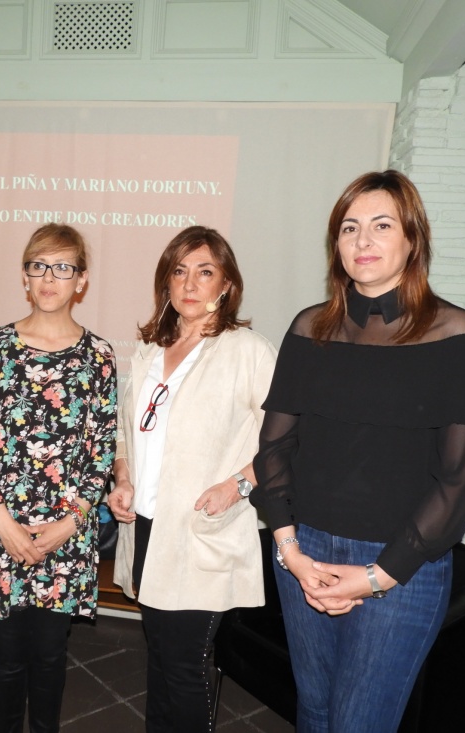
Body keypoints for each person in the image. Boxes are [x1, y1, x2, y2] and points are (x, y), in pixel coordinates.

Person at [250, 170, 465, 732]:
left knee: (360, 723)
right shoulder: (309, 327)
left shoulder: (454, 335)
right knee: (313, 712)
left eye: (381, 226)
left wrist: (380, 574)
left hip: (399, 564)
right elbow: (273, 448)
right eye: (349, 228)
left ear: (412, 238)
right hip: (303, 551)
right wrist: (289, 548)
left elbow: (458, 481)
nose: (362, 242)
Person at [107, 226, 277, 733]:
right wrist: (122, 479)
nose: (190, 283)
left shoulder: (246, 350)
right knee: (159, 658)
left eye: (205, 271)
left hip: (203, 530)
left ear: (226, 284)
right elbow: (125, 434)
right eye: (179, 271)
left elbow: (290, 441)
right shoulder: (148, 352)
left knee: (183, 667)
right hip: (148, 527)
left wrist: (238, 484)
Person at [0, 223, 118, 733]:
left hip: (65, 534)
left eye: (63, 267)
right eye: (38, 266)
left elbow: (101, 453)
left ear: (82, 280)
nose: (50, 277)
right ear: (25, 277)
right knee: (6, 657)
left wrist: (69, 525)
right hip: (0, 528)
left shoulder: (100, 356)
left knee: (50, 657)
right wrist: (2, 522)